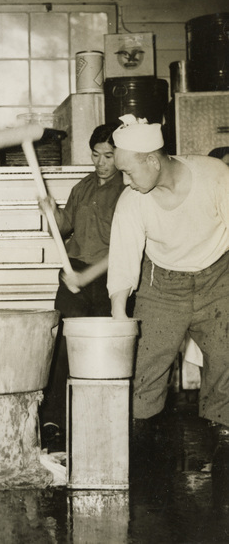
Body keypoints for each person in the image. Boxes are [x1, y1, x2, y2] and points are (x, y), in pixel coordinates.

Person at [107, 114, 229, 509]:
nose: (124, 180)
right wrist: (119, 313)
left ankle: (224, 446)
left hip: (219, 279)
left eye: (127, 170)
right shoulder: (133, 200)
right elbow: (124, 259)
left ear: (152, 160)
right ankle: (142, 472)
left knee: (227, 362)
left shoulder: (214, 176)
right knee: (144, 370)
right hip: (162, 287)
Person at [38, 123, 126, 449]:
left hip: (108, 279)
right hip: (72, 269)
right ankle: (53, 419)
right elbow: (63, 230)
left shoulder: (128, 191)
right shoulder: (83, 187)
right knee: (61, 346)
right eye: (96, 155)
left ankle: (101, 421)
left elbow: (123, 249)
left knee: (103, 352)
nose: (101, 162)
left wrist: (85, 279)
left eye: (109, 156)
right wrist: (52, 212)